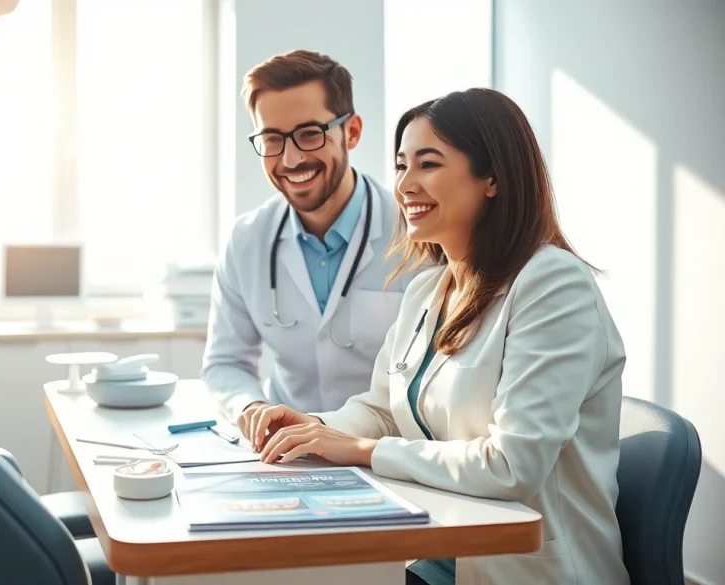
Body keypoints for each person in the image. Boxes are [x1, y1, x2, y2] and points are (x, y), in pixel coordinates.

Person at [244, 88, 630, 585]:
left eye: (428, 164)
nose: (404, 184)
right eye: (401, 165)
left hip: (527, 572)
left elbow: (513, 465)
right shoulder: (428, 288)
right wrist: (314, 427)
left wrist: (361, 450)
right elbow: (383, 409)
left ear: (492, 177)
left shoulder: (552, 285)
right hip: (436, 553)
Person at [201, 49, 417, 430]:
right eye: (272, 139)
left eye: (309, 134)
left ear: (351, 132)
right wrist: (249, 408)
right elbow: (226, 362)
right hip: (286, 453)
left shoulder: (417, 234)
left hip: (386, 449)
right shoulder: (247, 241)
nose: (290, 159)